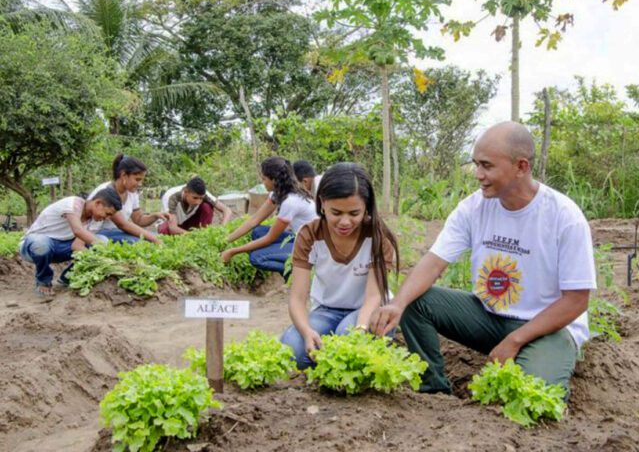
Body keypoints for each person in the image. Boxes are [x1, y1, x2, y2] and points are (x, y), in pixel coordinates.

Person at [370, 121, 596, 396]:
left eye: (487, 166)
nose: (478, 174)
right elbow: (434, 261)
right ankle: (434, 389)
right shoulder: (474, 207)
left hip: (547, 328)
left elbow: (576, 301)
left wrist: (514, 340)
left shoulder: (563, 217)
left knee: (531, 396)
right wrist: (397, 304)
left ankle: (544, 361)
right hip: (489, 317)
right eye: (476, 164)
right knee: (414, 301)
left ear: (521, 167)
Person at [280, 163, 399, 368]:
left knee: (347, 338)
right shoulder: (309, 234)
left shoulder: (378, 238)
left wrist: (361, 330)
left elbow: (373, 297)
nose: (345, 222)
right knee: (292, 349)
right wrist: (307, 332)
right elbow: (297, 298)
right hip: (326, 310)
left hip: (369, 310)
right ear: (322, 204)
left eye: (354, 214)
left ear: (366, 208)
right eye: (336, 212)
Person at [19, 188, 123, 300]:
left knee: (102, 239)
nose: (107, 218)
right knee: (42, 244)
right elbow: (78, 230)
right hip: (33, 247)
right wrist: (108, 252)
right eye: (107, 214)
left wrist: (101, 259)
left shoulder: (95, 221)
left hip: (61, 249)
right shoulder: (73, 204)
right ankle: (43, 281)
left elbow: (77, 246)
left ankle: (67, 278)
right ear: (98, 203)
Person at [221, 157, 317, 276]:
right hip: (298, 238)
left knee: (257, 257)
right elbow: (254, 220)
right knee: (258, 232)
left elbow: (269, 238)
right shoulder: (279, 193)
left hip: (311, 248)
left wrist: (232, 252)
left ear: (274, 180)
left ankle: (298, 272)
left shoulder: (291, 201)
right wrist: (226, 240)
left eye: (264, 179)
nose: (263, 182)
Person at [87, 154, 164, 244]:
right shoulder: (107, 191)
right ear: (124, 175)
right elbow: (122, 224)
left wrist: (155, 215)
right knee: (136, 241)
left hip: (116, 232)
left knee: (145, 238)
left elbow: (138, 220)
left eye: (142, 180)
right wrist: (154, 240)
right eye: (137, 179)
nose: (140, 184)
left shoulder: (132, 192)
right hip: (96, 232)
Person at [158, 176, 233, 235]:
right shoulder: (171, 196)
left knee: (206, 207)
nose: (198, 202)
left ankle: (203, 233)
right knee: (165, 229)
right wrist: (194, 236)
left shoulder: (204, 194)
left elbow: (227, 210)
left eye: (201, 198)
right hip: (170, 224)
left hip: (187, 223)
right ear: (186, 192)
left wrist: (222, 228)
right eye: (195, 198)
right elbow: (173, 228)